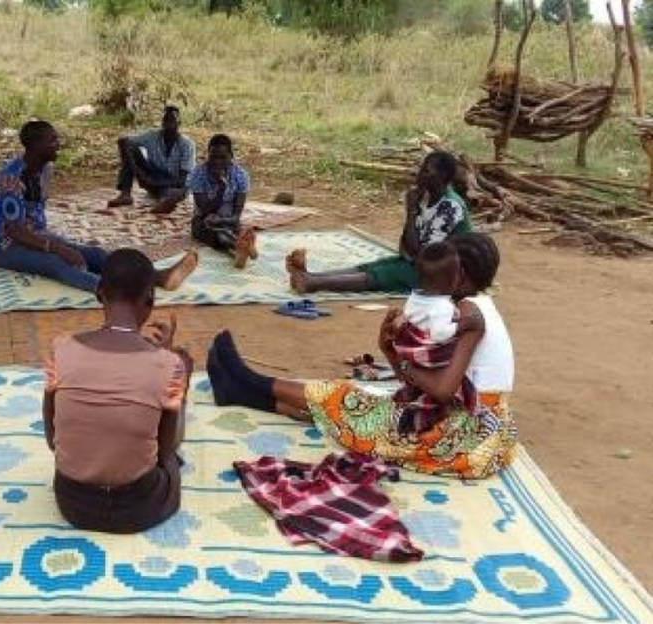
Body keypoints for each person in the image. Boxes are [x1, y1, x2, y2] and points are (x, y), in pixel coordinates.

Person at [208, 233, 516, 480]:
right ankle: (237, 391)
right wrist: (389, 350)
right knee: (356, 408)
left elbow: (442, 389)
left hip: (465, 432)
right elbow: (425, 382)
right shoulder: (460, 309)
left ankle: (246, 379)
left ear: (459, 274)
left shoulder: (469, 315)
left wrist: (403, 360)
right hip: (459, 418)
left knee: (346, 399)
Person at [43, 249, 192, 533]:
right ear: (150, 298)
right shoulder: (168, 364)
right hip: (139, 507)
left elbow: (53, 440)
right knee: (172, 456)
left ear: (99, 292)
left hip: (73, 502)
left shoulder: (60, 350)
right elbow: (165, 450)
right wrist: (178, 379)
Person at [0, 119, 198, 294]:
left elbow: (35, 224)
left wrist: (60, 246)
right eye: (52, 141)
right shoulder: (10, 179)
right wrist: (57, 248)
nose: (58, 144)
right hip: (6, 246)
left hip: (37, 235)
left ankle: (157, 276)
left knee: (94, 254)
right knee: (55, 263)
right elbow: (15, 232)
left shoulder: (45, 169)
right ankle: (113, 292)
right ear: (34, 147)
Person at [286, 150, 472, 294]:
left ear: (442, 179)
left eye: (427, 171)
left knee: (384, 275)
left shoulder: (450, 206)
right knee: (377, 266)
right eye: (422, 168)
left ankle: (312, 283)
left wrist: (411, 211)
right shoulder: (425, 197)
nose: (420, 174)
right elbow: (406, 249)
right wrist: (412, 215)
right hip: (425, 261)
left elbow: (422, 254)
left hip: (444, 272)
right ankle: (311, 276)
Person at [392, 241, 481, 435]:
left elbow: (407, 321)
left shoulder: (415, 298)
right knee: (461, 387)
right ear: (454, 279)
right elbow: (439, 335)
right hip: (430, 358)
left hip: (412, 355)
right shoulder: (443, 306)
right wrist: (463, 324)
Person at [107, 106, 197, 215]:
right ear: (162, 123)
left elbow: (181, 181)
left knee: (173, 192)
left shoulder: (187, 144)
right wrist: (137, 172)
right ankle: (125, 194)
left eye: (172, 120)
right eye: (166, 120)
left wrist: (153, 182)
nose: (169, 124)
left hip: (173, 184)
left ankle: (164, 202)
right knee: (129, 147)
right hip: (153, 176)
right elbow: (123, 141)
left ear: (179, 123)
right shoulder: (152, 136)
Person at [188, 134, 258, 268]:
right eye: (213, 157)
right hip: (203, 221)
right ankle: (240, 247)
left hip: (228, 221)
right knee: (217, 234)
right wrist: (221, 188)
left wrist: (222, 221)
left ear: (231, 156)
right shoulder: (198, 173)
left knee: (225, 233)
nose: (217, 162)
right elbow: (203, 210)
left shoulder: (241, 176)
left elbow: (236, 215)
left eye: (222, 158)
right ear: (208, 155)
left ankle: (238, 249)